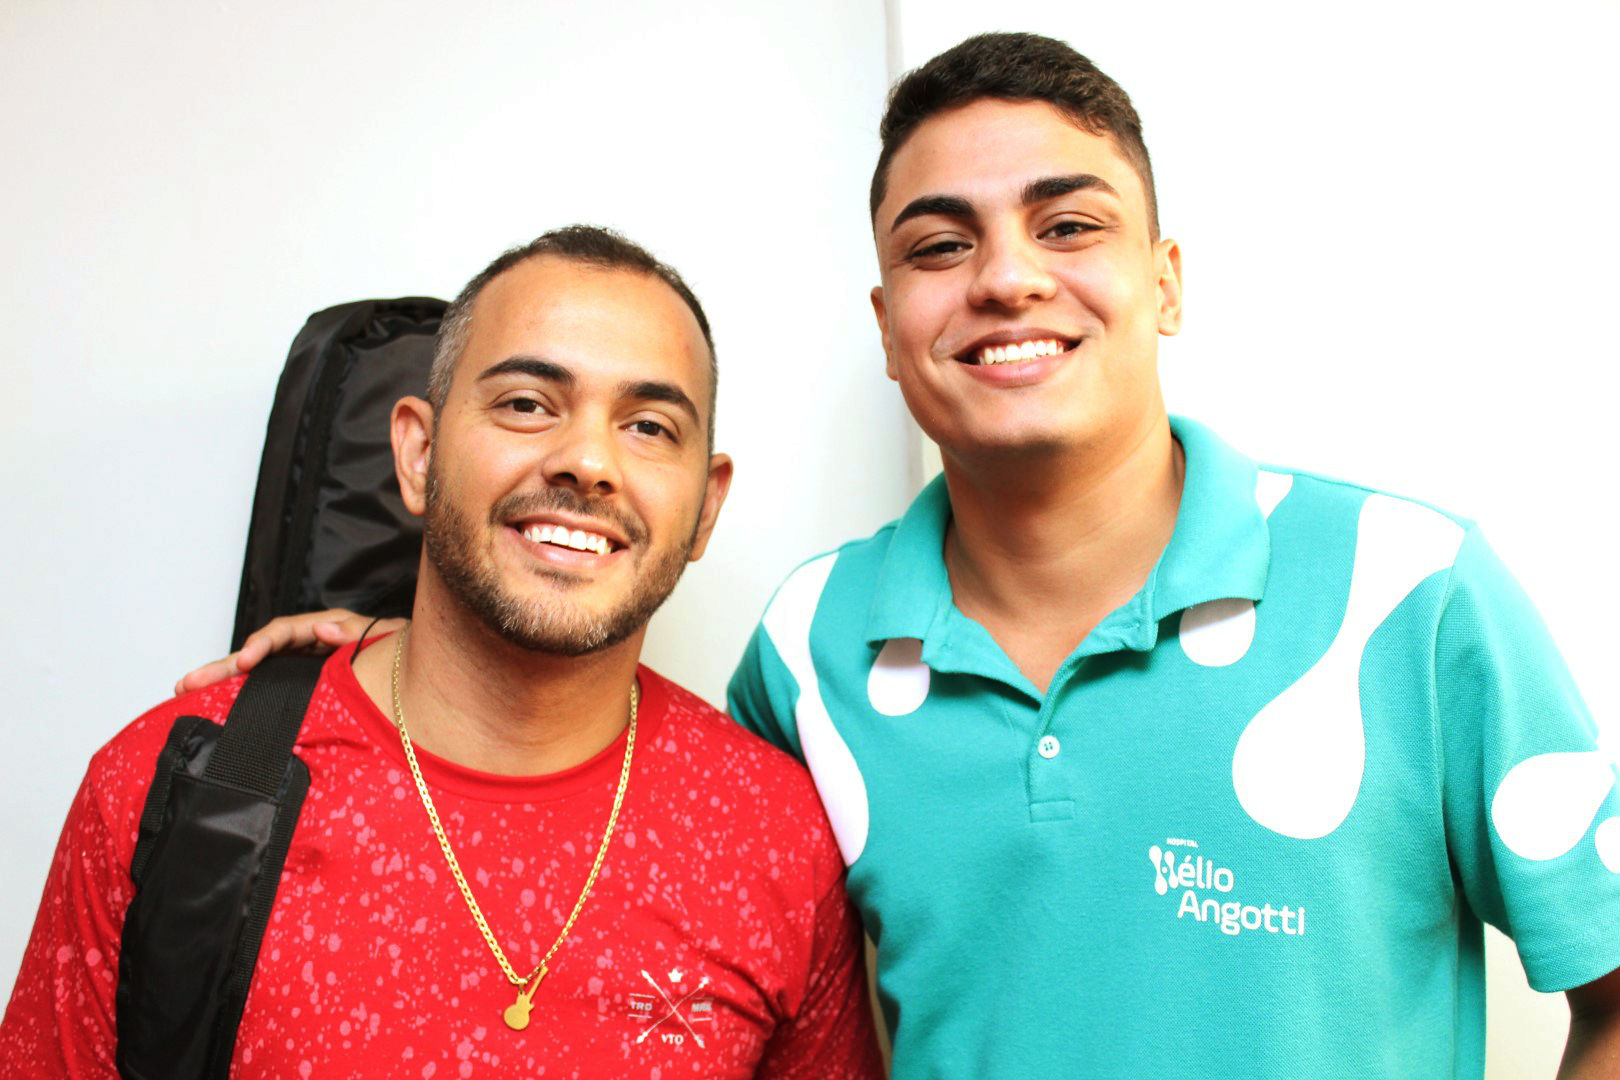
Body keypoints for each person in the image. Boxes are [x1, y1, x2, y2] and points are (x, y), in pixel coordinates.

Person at [171, 33, 1620, 1080]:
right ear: (886, 324)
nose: (1007, 277)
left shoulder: (1413, 588)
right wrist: (385, 657)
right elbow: (635, 823)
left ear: (1165, 280)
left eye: (1069, 224)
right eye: (941, 245)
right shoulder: (811, 648)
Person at [0, 226, 884, 1078]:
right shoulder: (169, 787)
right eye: (527, 404)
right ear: (419, 453)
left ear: (705, 507)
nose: (587, 461)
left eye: (649, 426)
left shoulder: (779, 842)